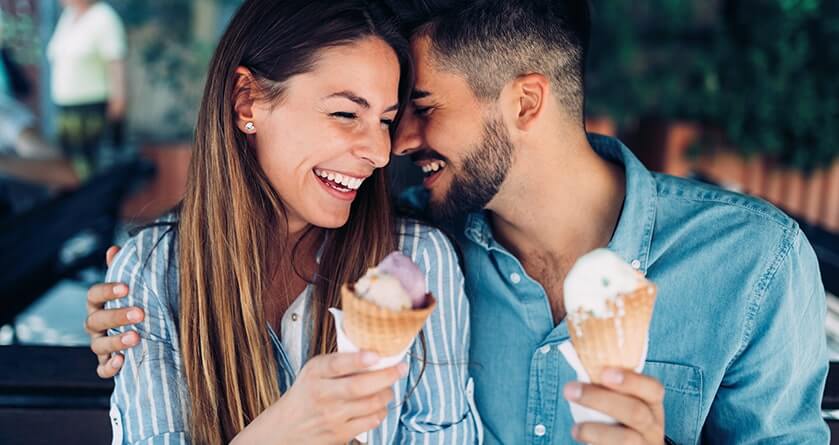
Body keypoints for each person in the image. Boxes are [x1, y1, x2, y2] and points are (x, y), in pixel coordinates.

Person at [86, 0, 829, 443]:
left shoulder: (754, 261)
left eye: (418, 110)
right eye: (369, 115)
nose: (390, 148)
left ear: (525, 103)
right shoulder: (415, 254)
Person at [90, 0, 478, 443]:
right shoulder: (151, 273)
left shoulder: (416, 261)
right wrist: (284, 430)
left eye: (385, 121)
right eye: (346, 114)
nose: (380, 151)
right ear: (246, 102)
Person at [47, 0, 127, 182]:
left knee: (93, 171)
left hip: (92, 109)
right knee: (70, 169)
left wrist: (119, 101)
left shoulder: (103, 17)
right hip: (66, 110)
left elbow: (115, 61)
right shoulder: (68, 17)